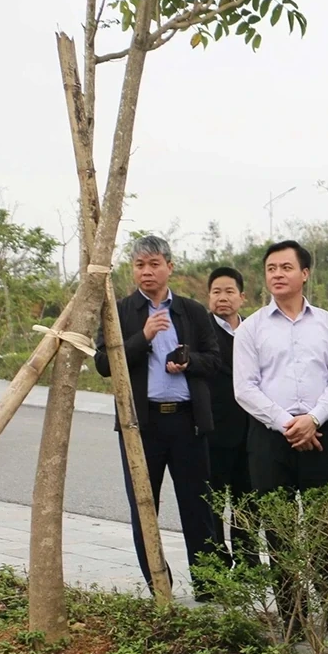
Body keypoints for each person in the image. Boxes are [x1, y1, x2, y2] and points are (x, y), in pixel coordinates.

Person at [233, 240, 328, 640]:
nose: (277, 274)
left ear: (305, 273)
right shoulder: (251, 328)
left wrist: (312, 420)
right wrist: (288, 423)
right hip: (269, 438)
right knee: (278, 530)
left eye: (286, 267)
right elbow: (244, 388)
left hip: (320, 436)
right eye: (271, 268)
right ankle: (293, 617)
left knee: (325, 528)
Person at [93, 235, 220, 600]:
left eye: (154, 264)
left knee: (198, 506)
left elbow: (215, 361)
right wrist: (143, 336)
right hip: (140, 425)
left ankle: (208, 586)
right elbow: (103, 363)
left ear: (169, 267)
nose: (146, 272)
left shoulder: (192, 311)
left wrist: (188, 361)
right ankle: (158, 585)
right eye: (139, 265)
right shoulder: (119, 311)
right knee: (144, 506)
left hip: (187, 422)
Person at [205, 266, 258, 571]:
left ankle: (248, 563)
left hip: (251, 431)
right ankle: (217, 565)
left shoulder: (254, 330)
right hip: (213, 430)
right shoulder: (200, 331)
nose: (222, 298)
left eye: (229, 291)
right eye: (216, 292)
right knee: (212, 502)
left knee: (247, 501)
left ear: (242, 297)